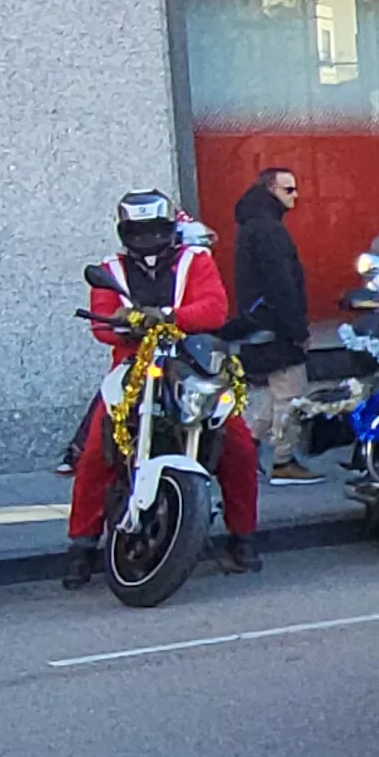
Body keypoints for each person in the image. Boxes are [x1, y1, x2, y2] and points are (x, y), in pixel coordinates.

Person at [66, 189, 264, 583]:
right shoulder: (110, 268)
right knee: (95, 451)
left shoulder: (196, 260)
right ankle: (82, 545)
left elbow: (214, 309)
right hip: (133, 365)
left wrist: (166, 316)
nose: (145, 237)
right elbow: (101, 323)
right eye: (136, 230)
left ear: (170, 227)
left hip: (192, 362)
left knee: (238, 444)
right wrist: (126, 321)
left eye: (154, 228)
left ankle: (243, 536)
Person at [224, 162, 317, 483]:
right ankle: (283, 460)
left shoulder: (254, 226)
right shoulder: (268, 230)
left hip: (262, 321)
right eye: (289, 189)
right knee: (291, 394)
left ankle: (244, 449)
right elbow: (282, 283)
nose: (297, 195)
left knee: (278, 393)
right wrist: (297, 331)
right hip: (277, 324)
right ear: (270, 191)